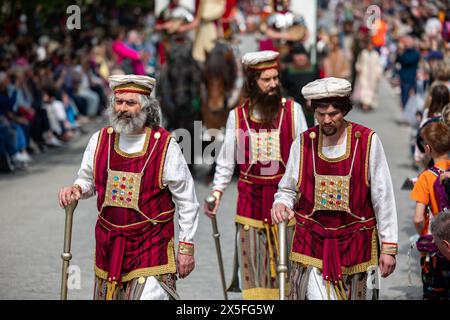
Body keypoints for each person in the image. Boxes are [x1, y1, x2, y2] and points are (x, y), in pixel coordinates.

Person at [57, 75, 199, 300]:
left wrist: (186, 246)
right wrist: (76, 189)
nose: (122, 108)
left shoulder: (164, 145)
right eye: (119, 101)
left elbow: (187, 200)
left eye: (130, 103)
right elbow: (87, 180)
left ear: (145, 108)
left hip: (151, 244)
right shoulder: (100, 139)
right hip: (109, 245)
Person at [272, 77, 398, 300]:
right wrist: (281, 202)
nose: (326, 120)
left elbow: (383, 196)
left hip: (355, 244)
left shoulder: (367, 141)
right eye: (321, 114)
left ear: (345, 111)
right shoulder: (303, 142)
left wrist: (388, 247)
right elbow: (288, 188)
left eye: (333, 114)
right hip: (311, 241)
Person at [204, 50, 308, 299]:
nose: (273, 84)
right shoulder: (236, 117)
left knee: (292, 275)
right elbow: (227, 162)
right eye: (266, 79)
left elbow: (305, 159)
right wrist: (217, 192)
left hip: (288, 206)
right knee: (254, 274)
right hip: (250, 206)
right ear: (253, 82)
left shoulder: (293, 112)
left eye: (275, 78)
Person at [410, 122, 450, 299]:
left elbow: (418, 219)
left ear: (427, 148)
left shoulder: (425, 178)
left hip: (437, 248)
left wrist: (424, 234)